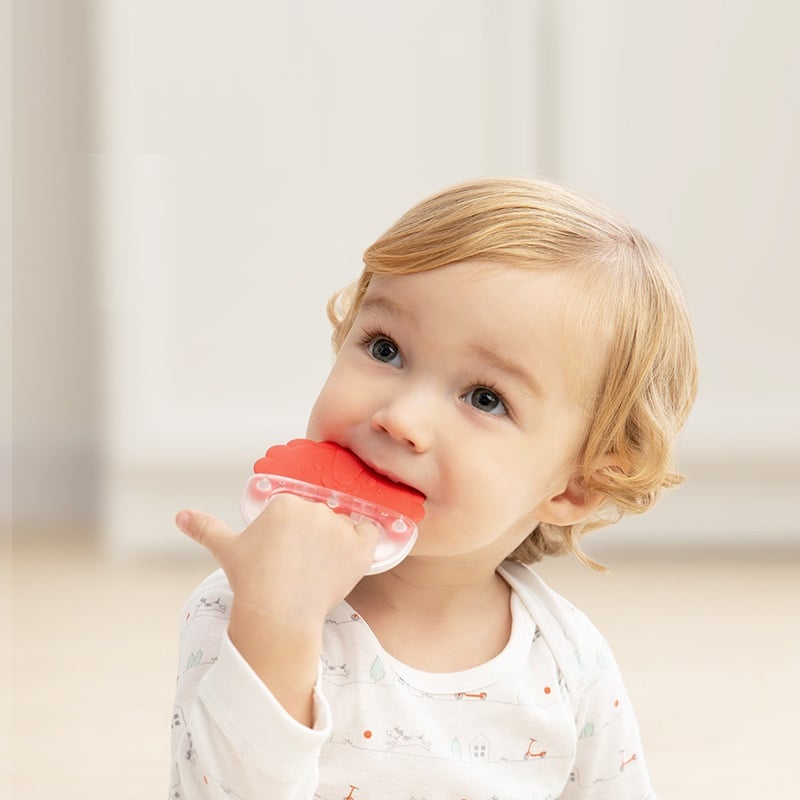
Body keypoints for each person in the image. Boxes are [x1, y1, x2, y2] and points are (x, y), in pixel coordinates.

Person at [169, 177, 697, 799]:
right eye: (386, 348)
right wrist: (277, 621)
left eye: (485, 398)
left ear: (575, 487)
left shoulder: (567, 658)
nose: (401, 417)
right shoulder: (245, 602)